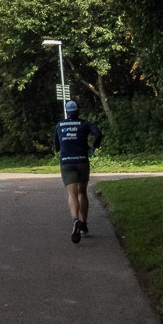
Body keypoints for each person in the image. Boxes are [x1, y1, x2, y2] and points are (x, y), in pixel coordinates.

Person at [53, 100, 103, 244]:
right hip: (82, 161)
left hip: (67, 162)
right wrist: (94, 146)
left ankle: (75, 220)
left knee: (72, 193)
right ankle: (84, 224)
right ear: (78, 111)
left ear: (67, 112)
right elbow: (98, 134)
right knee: (82, 192)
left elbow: (56, 147)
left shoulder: (59, 125)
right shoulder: (85, 124)